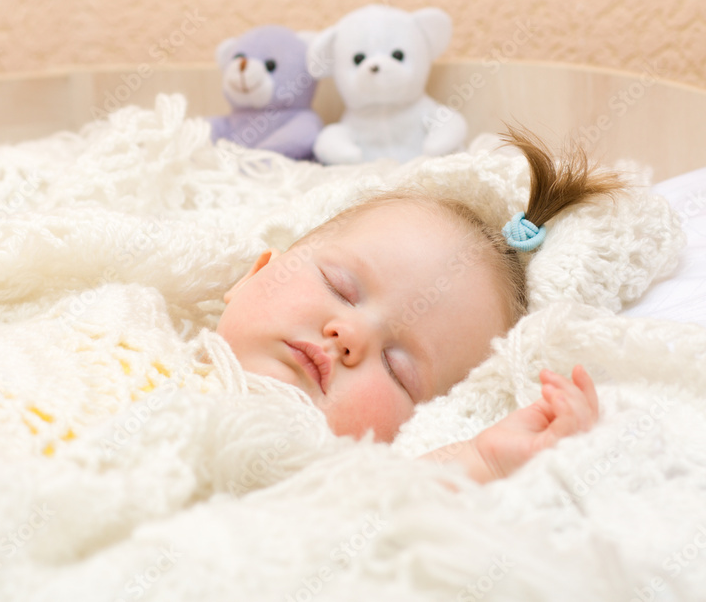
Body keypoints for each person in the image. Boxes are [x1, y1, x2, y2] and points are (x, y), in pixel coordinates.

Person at [216, 128, 623, 484]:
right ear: (252, 276)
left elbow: (374, 505)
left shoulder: (319, 483)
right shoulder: (157, 350)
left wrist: (483, 461)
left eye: (398, 369)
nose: (351, 336)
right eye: (340, 289)